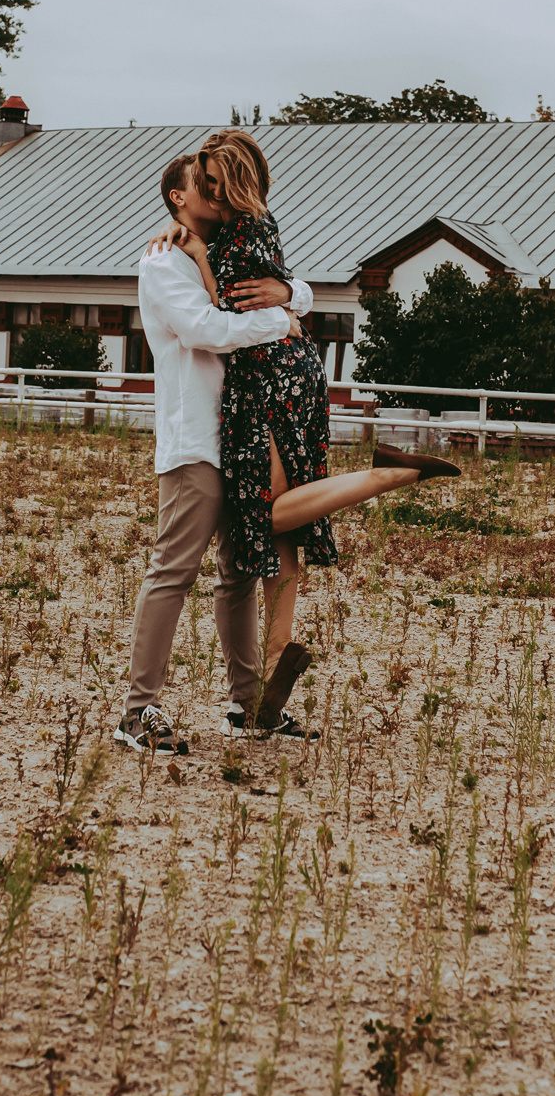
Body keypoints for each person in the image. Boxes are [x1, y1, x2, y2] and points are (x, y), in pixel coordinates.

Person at [160, 130, 459, 712]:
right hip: (291, 369)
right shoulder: (257, 223)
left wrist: (202, 258)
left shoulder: (237, 234)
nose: (210, 195)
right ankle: (274, 671)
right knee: (283, 528)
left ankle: (385, 476)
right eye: (204, 187)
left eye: (215, 184)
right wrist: (292, 296)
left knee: (271, 514)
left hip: (266, 374)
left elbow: (227, 309)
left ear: (234, 181)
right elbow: (288, 293)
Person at [114, 153, 314, 756]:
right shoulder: (161, 261)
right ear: (178, 198)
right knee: (173, 572)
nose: (217, 194)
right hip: (196, 439)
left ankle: (247, 705)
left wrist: (288, 295)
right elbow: (209, 329)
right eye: (204, 187)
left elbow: (294, 288)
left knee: (239, 576)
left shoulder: (226, 253)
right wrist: (282, 319)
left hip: (244, 438)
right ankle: (138, 710)